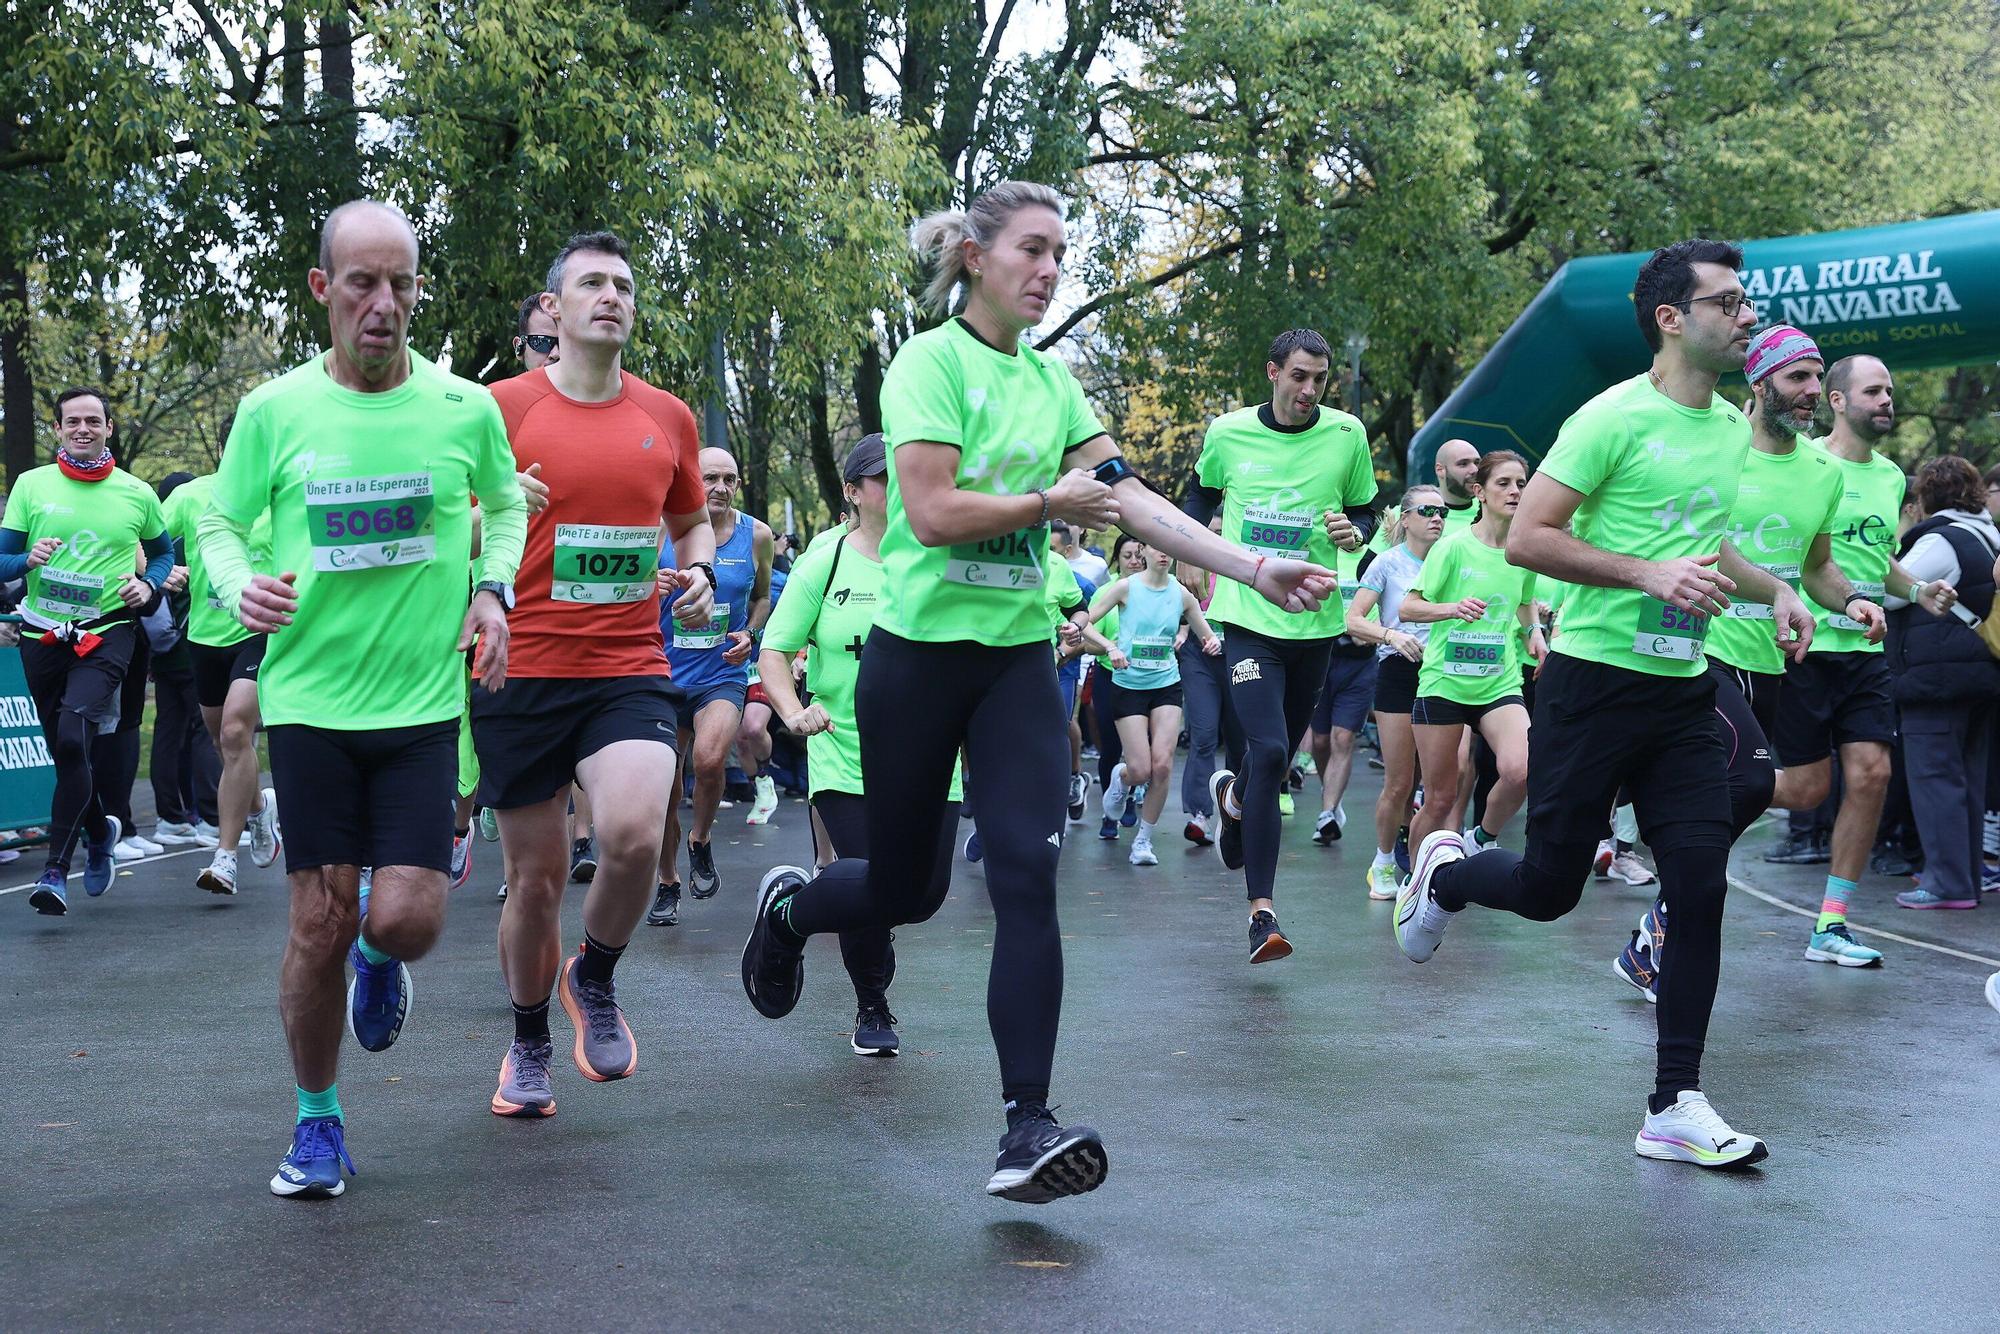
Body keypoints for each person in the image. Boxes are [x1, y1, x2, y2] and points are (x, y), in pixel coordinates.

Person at [737, 180, 1334, 1203]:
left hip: (1015, 661)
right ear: (975, 255)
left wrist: (1247, 569)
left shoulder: (1055, 386)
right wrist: (1043, 500)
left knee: (1024, 871)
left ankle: (1026, 1124)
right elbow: (925, 510)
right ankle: (792, 912)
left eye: (1061, 251)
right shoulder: (930, 362)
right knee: (904, 889)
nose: (1049, 268)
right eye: (1031, 248)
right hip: (915, 661)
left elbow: (1132, 497)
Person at [1395, 238, 1819, 1168]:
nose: (1747, 317)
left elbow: (1706, 552)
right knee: (1549, 891)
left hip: (1681, 695)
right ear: (1674, 319)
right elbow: (1530, 541)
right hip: (1590, 682)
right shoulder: (1609, 419)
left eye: (1747, 304)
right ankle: (1448, 874)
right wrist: (1645, 575)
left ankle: (1675, 1101)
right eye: (1731, 303)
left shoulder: (1724, 432)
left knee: (1699, 885)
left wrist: (1776, 591)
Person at [199, 199, 527, 1198]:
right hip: (309, 705)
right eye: (361, 283)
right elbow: (219, 515)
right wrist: (232, 582)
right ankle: (317, 1121)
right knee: (317, 919)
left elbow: (506, 503)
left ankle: (382, 961)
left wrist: (491, 586)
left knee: (410, 917)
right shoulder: (275, 410)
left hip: (423, 702)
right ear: (323, 290)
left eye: (401, 284)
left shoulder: (462, 408)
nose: (383, 304)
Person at [479, 230, 713, 1118]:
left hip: (627, 664)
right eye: (590, 284)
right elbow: (447, 516)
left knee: (629, 834)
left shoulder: (668, 416)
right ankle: (529, 1037)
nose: (610, 295)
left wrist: (693, 570)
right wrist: (491, 508)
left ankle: (598, 976)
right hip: (521, 666)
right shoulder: (499, 408)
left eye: (622, 283)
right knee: (535, 880)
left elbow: (692, 525)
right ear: (557, 308)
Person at [1611, 324, 1887, 995]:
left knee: (1750, 790)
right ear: (1759, 382)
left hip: (1766, 658)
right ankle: (1656, 904)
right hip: (1695, 646)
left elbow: (1816, 566)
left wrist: (1849, 602)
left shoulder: (1824, 472)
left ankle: (1656, 930)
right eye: (1795, 378)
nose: (1809, 394)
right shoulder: (1720, 444)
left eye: (1817, 380)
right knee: (1744, 783)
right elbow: (1676, 533)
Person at [1187, 327, 1380, 962]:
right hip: (1246, 617)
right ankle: (1261, 913)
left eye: (1320, 379)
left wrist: (1355, 531)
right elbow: (1198, 497)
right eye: (1298, 376)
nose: (1309, 390)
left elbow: (1367, 513)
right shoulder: (1229, 432)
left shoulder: (1347, 435)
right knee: (1269, 750)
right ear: (1273, 373)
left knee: (1275, 759)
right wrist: (1199, 546)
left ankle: (1234, 797)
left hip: (1315, 623)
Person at [756, 434, 949, 1053]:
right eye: (882, 477)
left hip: (933, 757)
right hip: (845, 749)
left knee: (923, 898)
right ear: (853, 492)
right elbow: (776, 651)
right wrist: (791, 710)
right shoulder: (826, 561)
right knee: (876, 884)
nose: (897, 486)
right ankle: (873, 1004)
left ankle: (789, 911)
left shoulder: (941, 554)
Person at [1766, 354, 1953, 948]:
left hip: (1866, 650)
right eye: (1874, 392)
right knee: (1805, 789)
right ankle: (1691, 786)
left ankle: (1832, 922)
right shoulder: (1801, 462)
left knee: (1872, 775)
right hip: (1804, 647)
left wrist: (1918, 590)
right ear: (1838, 401)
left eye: (1891, 392)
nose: (1888, 401)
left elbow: (1879, 563)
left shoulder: (1893, 477)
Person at [1, 387, 174, 914]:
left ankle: (56, 869)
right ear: (57, 429)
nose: (82, 428)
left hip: (108, 630)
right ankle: (100, 831)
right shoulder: (31, 486)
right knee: (62, 748)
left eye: (92, 421)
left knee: (76, 736)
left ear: (108, 427)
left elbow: (163, 556)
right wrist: (27, 560)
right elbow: (2, 562)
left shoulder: (136, 492)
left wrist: (149, 588)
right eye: (71, 421)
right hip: (42, 633)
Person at [1400, 451, 1542, 851]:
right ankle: (1414, 885)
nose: (1514, 491)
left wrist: (1535, 633)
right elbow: (1408, 607)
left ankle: (1480, 838)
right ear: (1479, 492)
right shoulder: (1453, 547)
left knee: (1524, 771)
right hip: (1445, 685)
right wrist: (1452, 608)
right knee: (1441, 798)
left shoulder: (1523, 550)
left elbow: (1525, 600)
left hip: (1499, 683)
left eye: (1520, 484)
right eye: (1504, 483)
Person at [161, 442, 283, 895]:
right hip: (206, 638)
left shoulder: (287, 494)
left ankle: (225, 857)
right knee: (223, 741)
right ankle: (258, 808)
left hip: (263, 629)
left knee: (235, 732)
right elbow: (144, 536)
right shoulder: (194, 495)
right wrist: (154, 571)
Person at [1885, 455, 2000, 910]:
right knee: (1968, 780)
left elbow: (1894, 592)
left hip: (1937, 677)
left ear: (1924, 497)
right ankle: (1966, 878)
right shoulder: (1989, 534)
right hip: (1980, 671)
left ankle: (1947, 884)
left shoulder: (1942, 540)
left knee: (1935, 779)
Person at [660, 447, 772, 901]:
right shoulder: (660, 527)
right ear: (692, 480)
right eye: (710, 478)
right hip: (663, 674)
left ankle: (700, 838)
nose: (719, 488)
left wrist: (750, 631)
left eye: (729, 479)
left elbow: (762, 597)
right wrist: (654, 588)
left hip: (721, 673)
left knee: (708, 761)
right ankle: (667, 879)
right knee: (665, 786)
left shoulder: (757, 535)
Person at [1082, 543, 1221, 866]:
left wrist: (1211, 642)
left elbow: (1206, 634)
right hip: (1129, 685)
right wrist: (1109, 647)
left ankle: (1143, 841)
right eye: (1155, 549)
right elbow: (1084, 621)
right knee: (1141, 769)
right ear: (1142, 553)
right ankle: (1123, 777)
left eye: (1167, 550)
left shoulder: (1182, 594)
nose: (1162, 554)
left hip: (1166, 686)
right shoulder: (1125, 588)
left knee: (1162, 765)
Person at [1345, 485, 1444, 898]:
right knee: (1401, 780)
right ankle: (1383, 861)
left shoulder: (1454, 558)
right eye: (1427, 511)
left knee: (1438, 779)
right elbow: (1353, 621)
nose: (1437, 518)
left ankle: (1418, 853)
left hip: (1445, 673)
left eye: (1442, 512)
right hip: (1399, 672)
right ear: (1405, 519)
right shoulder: (1387, 563)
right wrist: (1391, 636)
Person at [1308, 535, 1381, 844]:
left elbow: (1384, 604)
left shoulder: (1375, 559)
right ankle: (1331, 797)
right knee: (1321, 740)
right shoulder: (1321, 554)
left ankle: (1327, 812)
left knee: (1344, 737)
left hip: (1360, 662)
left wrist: (1373, 634)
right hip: (1322, 656)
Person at [1175, 515, 1230, 846]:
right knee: (1204, 733)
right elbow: (1179, 609)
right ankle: (1199, 815)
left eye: (1220, 532)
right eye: (1207, 532)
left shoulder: (1242, 565)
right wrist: (1183, 632)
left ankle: (1238, 809)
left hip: (1239, 651)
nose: (1214, 538)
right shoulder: (1189, 567)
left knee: (1241, 738)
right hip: (1199, 654)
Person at [1430, 438, 1483, 532]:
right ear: (1440, 470)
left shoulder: (1493, 510)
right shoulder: (1413, 513)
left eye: (1477, 463)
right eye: (1463, 464)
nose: (1475, 470)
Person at [1053, 520, 1109, 586]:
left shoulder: (1098, 565)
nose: (1064, 527)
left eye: (1070, 522)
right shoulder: (1042, 559)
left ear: (1081, 529)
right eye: (1059, 522)